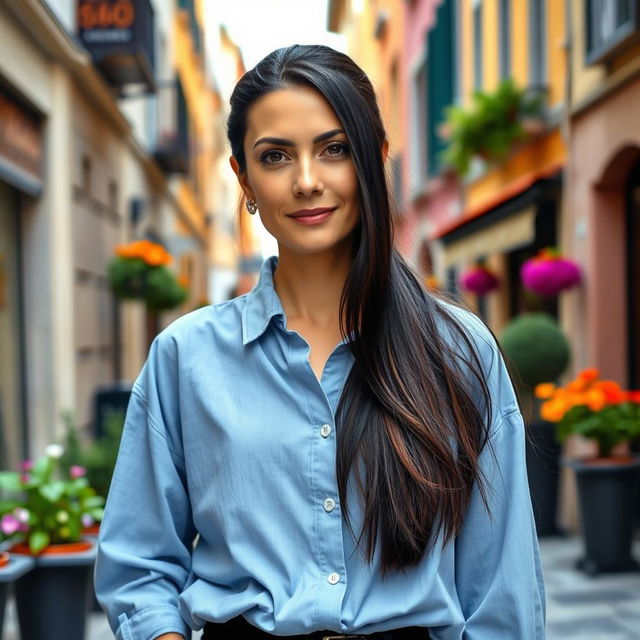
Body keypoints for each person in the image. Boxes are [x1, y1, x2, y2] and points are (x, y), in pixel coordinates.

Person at [95, 44, 545, 640]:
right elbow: (139, 565)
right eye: (275, 156)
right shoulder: (185, 357)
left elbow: (501, 590)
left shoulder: (457, 349)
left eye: (334, 149)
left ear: (374, 158)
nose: (307, 181)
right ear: (243, 178)